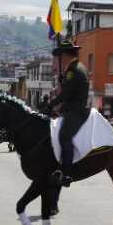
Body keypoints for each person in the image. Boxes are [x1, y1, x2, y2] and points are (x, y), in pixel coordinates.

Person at [47, 40, 90, 188]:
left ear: (65, 55)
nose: (59, 59)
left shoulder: (74, 70)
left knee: (64, 136)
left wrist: (50, 104)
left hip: (75, 110)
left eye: (60, 55)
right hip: (70, 108)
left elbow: (65, 94)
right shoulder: (75, 67)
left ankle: (66, 173)